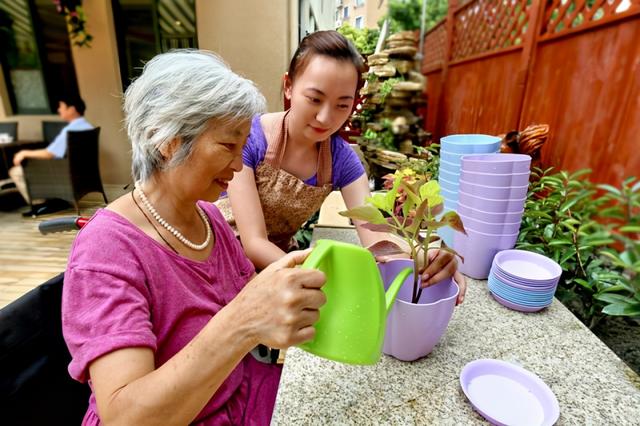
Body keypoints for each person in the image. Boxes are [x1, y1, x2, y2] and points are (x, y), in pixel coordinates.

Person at [61, 50, 326, 424]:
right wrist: (243, 322)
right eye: (227, 145)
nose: (239, 163)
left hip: (239, 396)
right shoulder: (106, 250)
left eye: (243, 146)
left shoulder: (210, 218)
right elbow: (125, 418)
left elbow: (260, 315)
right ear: (166, 139)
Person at [222, 30, 466, 302]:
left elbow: (375, 237)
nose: (326, 118)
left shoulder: (341, 160)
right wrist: (316, 276)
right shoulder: (250, 139)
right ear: (289, 86)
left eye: (342, 105)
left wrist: (424, 256)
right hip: (220, 257)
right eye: (315, 99)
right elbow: (253, 243)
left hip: (282, 264)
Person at [9, 96, 93, 209]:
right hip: (80, 171)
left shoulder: (70, 130)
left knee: (16, 171)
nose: (59, 110)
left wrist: (24, 153)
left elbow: (49, 154)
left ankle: (40, 204)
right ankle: (54, 200)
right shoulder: (87, 127)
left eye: (61, 107)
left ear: (72, 109)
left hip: (63, 173)